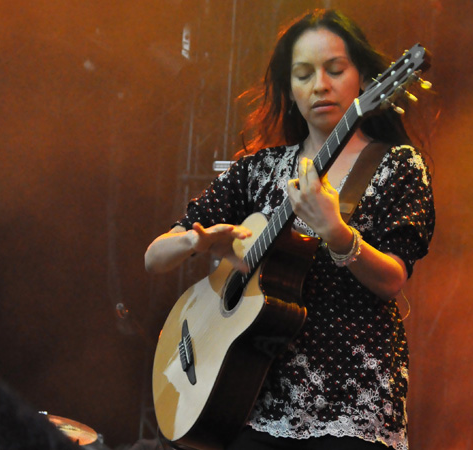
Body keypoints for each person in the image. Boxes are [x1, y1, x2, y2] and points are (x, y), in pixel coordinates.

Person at [145, 8, 435, 450]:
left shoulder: (397, 166)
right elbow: (154, 257)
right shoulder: (256, 171)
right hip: (252, 402)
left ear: (364, 79)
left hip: (352, 407)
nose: (320, 84)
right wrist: (198, 239)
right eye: (303, 74)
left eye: (335, 69)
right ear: (289, 89)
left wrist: (336, 230)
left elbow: (393, 279)